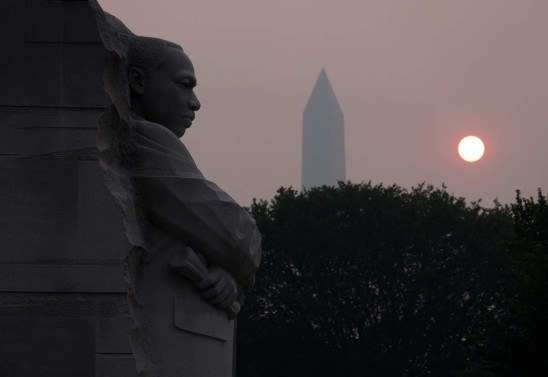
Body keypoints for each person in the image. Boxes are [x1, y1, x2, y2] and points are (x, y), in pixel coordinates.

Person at [97, 33, 261, 377]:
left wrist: (229, 275)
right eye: (184, 85)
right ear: (139, 82)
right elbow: (236, 236)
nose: (195, 102)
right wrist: (235, 260)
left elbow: (219, 242)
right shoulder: (146, 138)